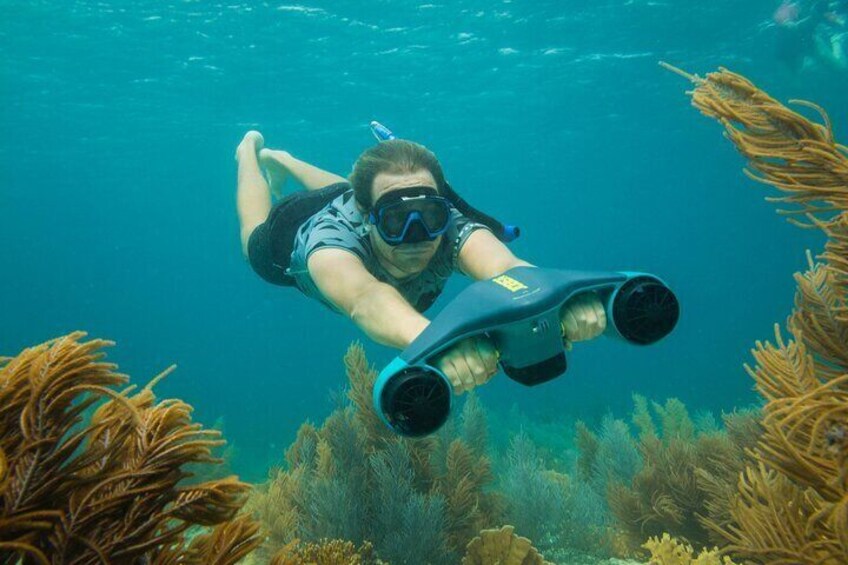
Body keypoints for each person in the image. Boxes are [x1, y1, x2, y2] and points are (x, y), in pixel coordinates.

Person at [235, 131, 606, 395]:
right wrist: (440, 341)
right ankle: (248, 150)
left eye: (428, 215)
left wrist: (555, 303)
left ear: (443, 211)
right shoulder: (330, 249)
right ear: (368, 218)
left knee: (349, 190)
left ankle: (285, 160)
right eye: (398, 220)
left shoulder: (450, 229)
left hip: (357, 198)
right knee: (254, 241)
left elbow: (508, 269)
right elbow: (366, 297)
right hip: (292, 226)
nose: (417, 235)